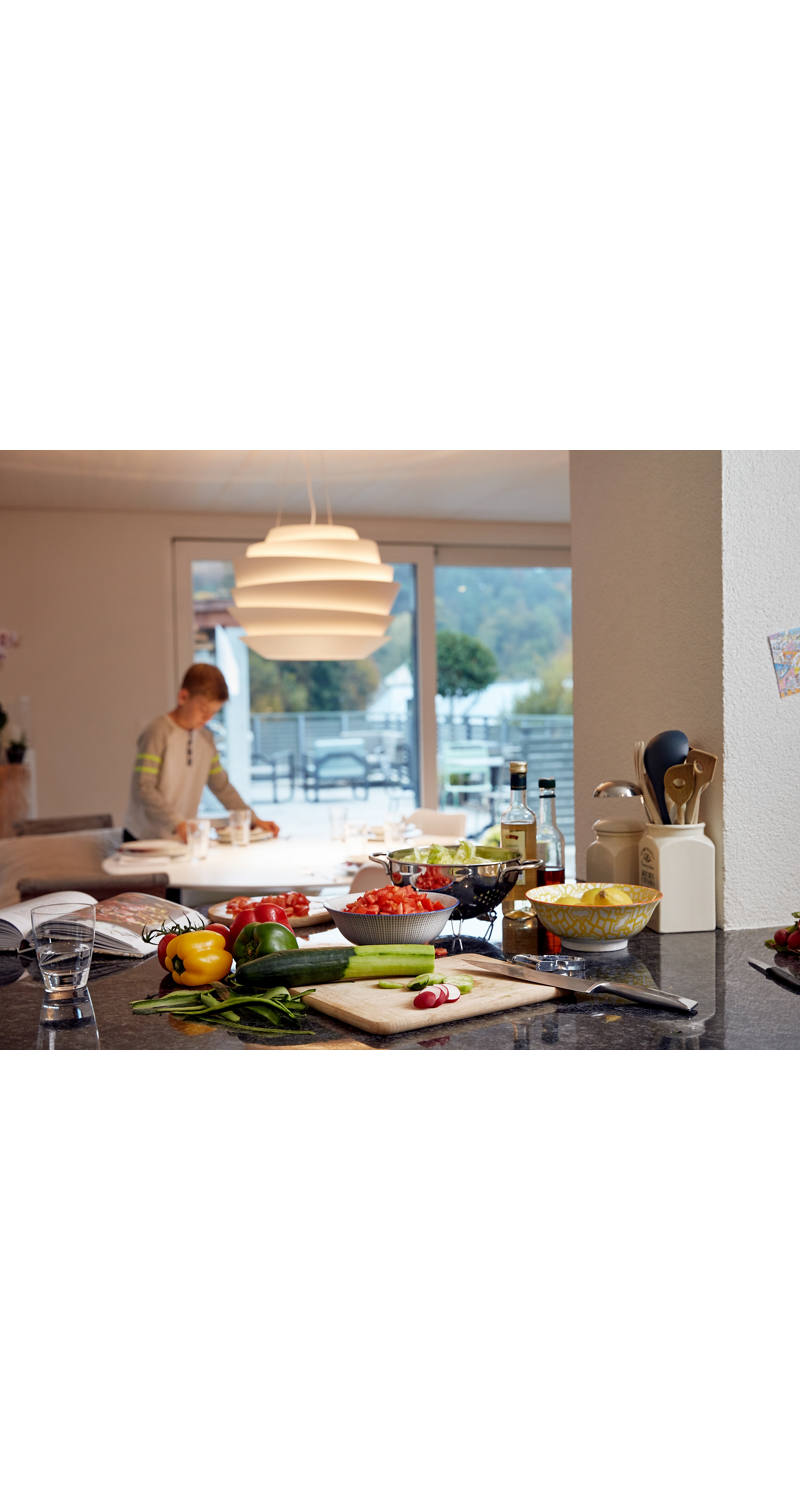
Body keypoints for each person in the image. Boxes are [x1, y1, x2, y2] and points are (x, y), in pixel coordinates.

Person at [124, 663, 279, 842]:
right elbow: (145, 788)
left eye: (213, 712)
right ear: (183, 697)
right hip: (144, 837)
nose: (207, 718)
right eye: (203, 710)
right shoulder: (157, 732)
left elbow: (221, 786)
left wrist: (253, 819)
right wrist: (177, 823)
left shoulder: (206, 739)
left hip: (181, 837)